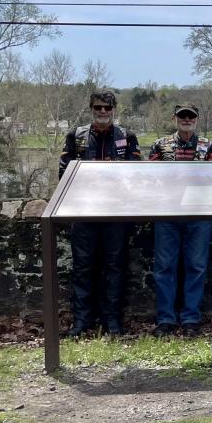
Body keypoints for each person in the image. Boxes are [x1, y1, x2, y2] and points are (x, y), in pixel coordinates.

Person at [59, 90, 142, 336]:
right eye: (98, 107)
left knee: (115, 267)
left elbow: (137, 173)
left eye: (107, 107)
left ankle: (112, 321)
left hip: (117, 213)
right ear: (91, 109)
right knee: (83, 267)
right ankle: (82, 321)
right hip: (84, 212)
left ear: (114, 109)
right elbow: (64, 173)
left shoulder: (127, 136)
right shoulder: (76, 136)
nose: (102, 111)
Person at [148, 103, 212, 337]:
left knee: (196, 267)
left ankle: (191, 318)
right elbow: (149, 179)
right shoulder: (160, 145)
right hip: (166, 214)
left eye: (191, 116)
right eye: (182, 116)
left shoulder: (209, 145)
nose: (187, 119)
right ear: (175, 118)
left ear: (197, 119)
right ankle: (166, 318)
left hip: (199, 214)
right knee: (164, 268)